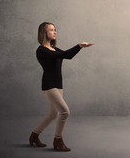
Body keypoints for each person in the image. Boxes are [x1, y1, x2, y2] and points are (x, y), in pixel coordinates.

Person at [29, 22, 94, 151]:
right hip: (49, 86)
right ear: (44, 32)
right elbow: (59, 56)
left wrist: (80, 47)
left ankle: (34, 135)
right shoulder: (41, 50)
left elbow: (67, 55)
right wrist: (78, 45)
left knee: (53, 114)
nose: (55, 32)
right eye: (52, 30)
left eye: (55, 30)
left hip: (58, 85)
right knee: (65, 112)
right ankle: (58, 140)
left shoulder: (56, 49)